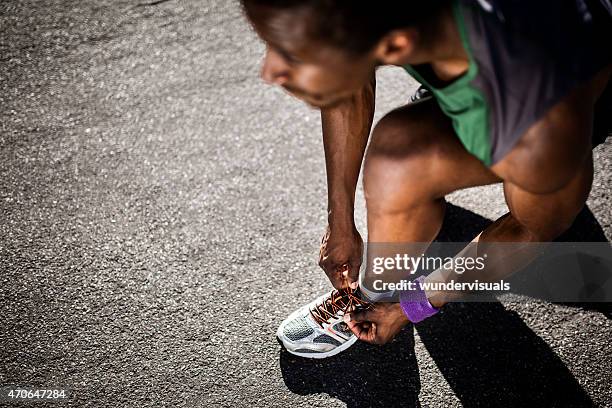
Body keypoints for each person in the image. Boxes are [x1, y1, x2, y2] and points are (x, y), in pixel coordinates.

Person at [241, 0, 612, 358]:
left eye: (292, 54)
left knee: (399, 159)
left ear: (396, 43)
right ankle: (378, 283)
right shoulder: (380, 19)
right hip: (484, 58)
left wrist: (413, 306)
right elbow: (348, 83)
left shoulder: (539, 126)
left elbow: (532, 231)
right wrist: (340, 222)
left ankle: (379, 297)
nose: (269, 71)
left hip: (553, 98)